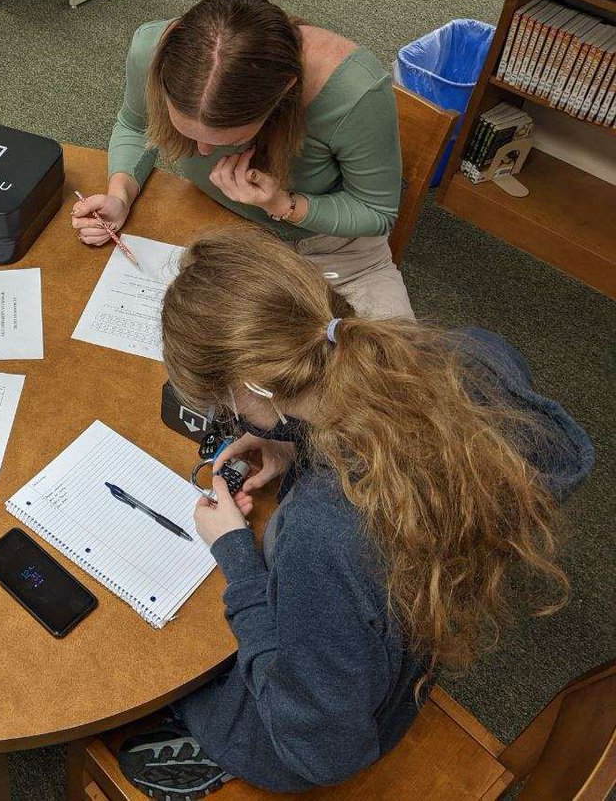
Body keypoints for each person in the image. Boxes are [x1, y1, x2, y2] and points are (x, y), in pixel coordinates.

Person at [115, 230, 593, 798]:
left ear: (250, 386)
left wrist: (238, 558)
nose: (226, 414)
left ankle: (223, 751)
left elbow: (323, 749)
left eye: (226, 403)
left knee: (165, 680)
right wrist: (293, 443)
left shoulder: (318, 531)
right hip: (410, 640)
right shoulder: (471, 351)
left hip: (336, 725)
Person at [73, 0, 414, 319]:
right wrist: (120, 194)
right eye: (186, 131)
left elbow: (377, 211)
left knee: (388, 371)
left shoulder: (355, 93)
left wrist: (283, 205)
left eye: (226, 139)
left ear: (283, 93)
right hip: (220, 226)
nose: (202, 151)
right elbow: (135, 126)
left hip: (331, 249)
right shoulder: (151, 49)